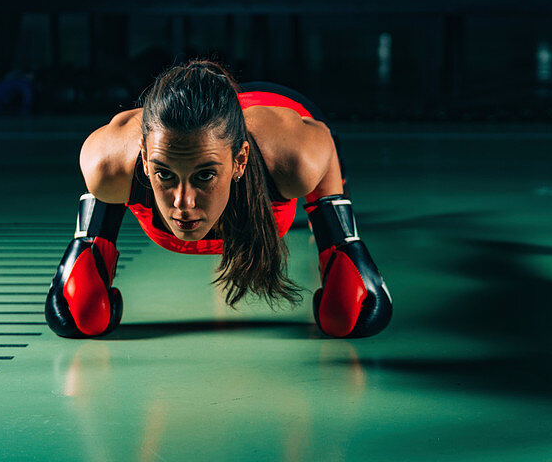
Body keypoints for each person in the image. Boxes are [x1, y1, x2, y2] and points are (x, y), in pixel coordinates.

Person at [45, 60, 392, 339]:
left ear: (240, 162)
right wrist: (90, 243)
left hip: (270, 116)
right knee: (82, 315)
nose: (183, 202)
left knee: (347, 313)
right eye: (164, 174)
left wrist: (338, 239)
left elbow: (323, 142)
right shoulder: (108, 164)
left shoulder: (292, 159)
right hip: (188, 125)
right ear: (145, 159)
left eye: (205, 176)